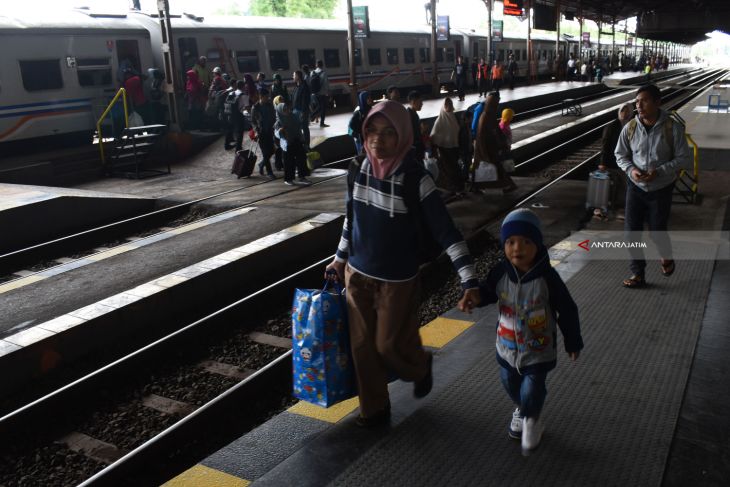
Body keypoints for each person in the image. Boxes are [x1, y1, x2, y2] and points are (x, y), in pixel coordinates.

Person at [325, 100, 480, 428]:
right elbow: (350, 221)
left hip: (397, 281)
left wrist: (468, 279)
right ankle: (375, 411)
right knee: (362, 348)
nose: (377, 140)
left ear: (404, 136)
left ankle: (420, 367)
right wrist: (339, 260)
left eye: (388, 133)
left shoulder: (415, 179)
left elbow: (445, 231)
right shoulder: (356, 169)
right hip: (357, 274)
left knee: (387, 346)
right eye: (372, 131)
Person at [458, 208, 583, 454]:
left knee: (532, 386)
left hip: (538, 349)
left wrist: (573, 341)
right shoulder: (500, 273)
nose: (518, 248)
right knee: (508, 381)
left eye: (526, 242)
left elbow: (567, 309)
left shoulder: (548, 278)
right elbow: (487, 292)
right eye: (511, 242)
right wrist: (474, 298)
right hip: (506, 347)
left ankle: (531, 419)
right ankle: (525, 408)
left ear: (537, 245)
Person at [615, 84, 691, 288]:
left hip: (661, 188)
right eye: (637, 101)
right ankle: (637, 273)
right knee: (631, 232)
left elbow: (685, 158)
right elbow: (620, 155)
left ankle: (666, 257)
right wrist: (631, 170)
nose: (639, 105)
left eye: (644, 101)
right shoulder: (630, 127)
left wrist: (660, 171)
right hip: (635, 187)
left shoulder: (672, 127)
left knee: (657, 230)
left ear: (658, 102)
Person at [594, 102, 633, 217]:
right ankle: (600, 208)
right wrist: (602, 162)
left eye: (627, 111)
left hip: (625, 162)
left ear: (631, 113)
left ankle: (620, 209)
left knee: (623, 186)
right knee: (605, 186)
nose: (624, 113)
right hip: (610, 161)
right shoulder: (611, 126)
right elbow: (605, 146)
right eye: (622, 111)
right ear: (619, 112)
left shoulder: (632, 126)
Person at [473, 92, 516, 192]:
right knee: (486, 168)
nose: (497, 106)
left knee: (490, 168)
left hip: (491, 148)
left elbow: (497, 131)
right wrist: (483, 152)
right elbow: (480, 136)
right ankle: (507, 185)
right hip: (484, 149)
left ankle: (477, 187)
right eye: (495, 104)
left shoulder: (490, 116)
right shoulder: (484, 117)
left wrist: (503, 143)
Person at [430, 97, 462, 192]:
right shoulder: (440, 120)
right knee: (449, 169)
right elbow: (434, 136)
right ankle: (452, 187)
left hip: (455, 147)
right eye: (447, 105)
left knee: (455, 167)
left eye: (450, 104)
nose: (449, 107)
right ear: (444, 106)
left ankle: (457, 186)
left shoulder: (453, 117)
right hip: (445, 149)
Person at [274, 102, 310, 185]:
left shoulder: (294, 117)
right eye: (284, 109)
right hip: (287, 143)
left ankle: (302, 177)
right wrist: (281, 130)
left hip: (297, 140)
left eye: (287, 108)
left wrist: (302, 139)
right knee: (289, 162)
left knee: (301, 159)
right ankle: (288, 179)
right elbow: (276, 134)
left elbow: (298, 129)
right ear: (280, 111)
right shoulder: (278, 122)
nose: (287, 110)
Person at [252, 88, 277, 179]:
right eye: (266, 97)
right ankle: (270, 172)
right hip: (261, 132)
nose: (268, 98)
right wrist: (256, 130)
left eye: (268, 97)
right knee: (265, 153)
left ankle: (261, 164)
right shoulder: (255, 107)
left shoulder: (270, 105)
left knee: (272, 150)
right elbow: (253, 121)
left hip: (270, 131)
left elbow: (274, 117)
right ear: (261, 97)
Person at [348, 91, 373, 155]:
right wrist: (361, 131)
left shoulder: (371, 109)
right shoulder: (358, 111)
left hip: (368, 137)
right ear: (363, 99)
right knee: (362, 155)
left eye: (370, 97)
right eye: (368, 98)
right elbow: (352, 124)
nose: (370, 99)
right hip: (360, 138)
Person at [291, 70, 311, 149]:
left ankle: (307, 145)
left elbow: (305, 100)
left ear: (298, 76)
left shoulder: (304, 86)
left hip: (302, 111)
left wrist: (303, 112)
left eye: (294, 75)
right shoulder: (297, 86)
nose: (293, 77)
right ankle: (301, 143)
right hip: (296, 110)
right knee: (298, 128)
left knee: (304, 127)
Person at [406, 91, 425, 161]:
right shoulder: (409, 115)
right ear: (413, 102)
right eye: (420, 101)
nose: (422, 104)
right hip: (414, 150)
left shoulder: (413, 114)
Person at [311, 60, 330, 127]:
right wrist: (328, 92)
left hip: (314, 93)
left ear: (316, 65)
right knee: (323, 108)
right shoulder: (324, 73)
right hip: (322, 93)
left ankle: (312, 115)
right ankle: (321, 122)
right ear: (322, 65)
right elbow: (326, 84)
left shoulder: (312, 72)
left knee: (319, 106)